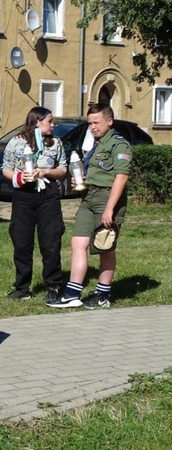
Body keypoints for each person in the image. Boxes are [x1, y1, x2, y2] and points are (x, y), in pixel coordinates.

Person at [49, 103, 133, 310]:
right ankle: (73, 293)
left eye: (96, 122)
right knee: (78, 243)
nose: (92, 127)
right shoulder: (96, 144)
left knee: (105, 247)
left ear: (109, 121)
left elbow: (121, 178)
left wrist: (110, 209)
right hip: (89, 197)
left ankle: (102, 295)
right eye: (90, 123)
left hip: (108, 199)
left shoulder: (119, 145)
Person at [1, 107, 67, 304]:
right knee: (22, 242)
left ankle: (53, 285)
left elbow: (62, 170)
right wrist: (22, 177)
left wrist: (45, 171)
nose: (53, 125)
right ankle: (22, 287)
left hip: (48, 196)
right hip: (23, 196)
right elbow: (7, 170)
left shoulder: (56, 143)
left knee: (51, 242)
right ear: (36, 122)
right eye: (49, 121)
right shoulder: (16, 142)